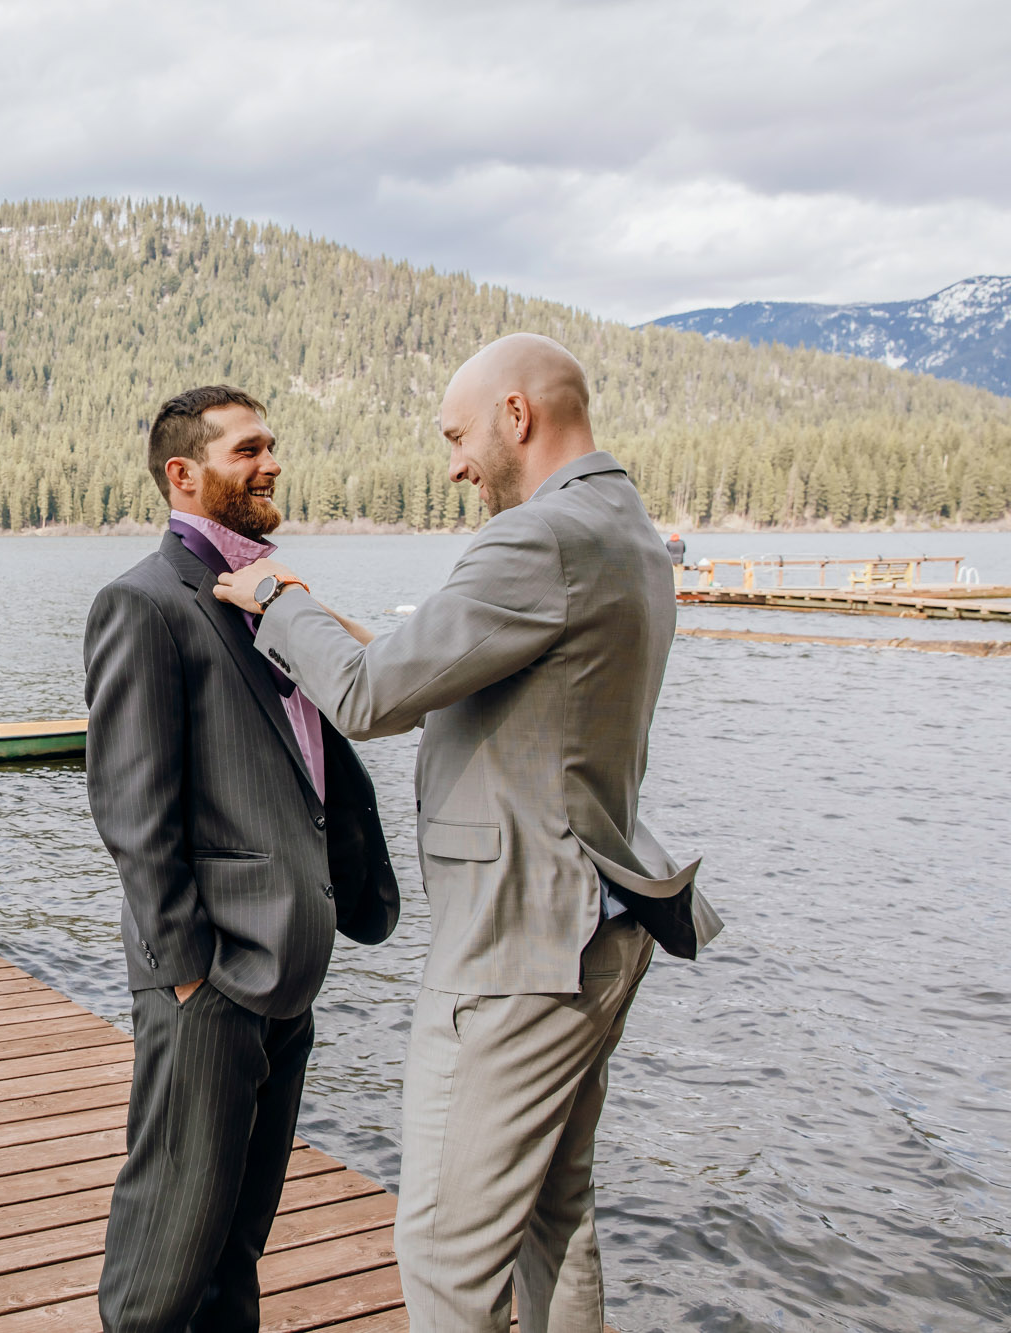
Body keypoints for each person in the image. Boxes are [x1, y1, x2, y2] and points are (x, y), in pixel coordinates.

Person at [215, 335, 722, 1333]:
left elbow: (366, 697)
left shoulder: (537, 539)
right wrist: (339, 624)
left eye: (457, 436)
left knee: (443, 1249)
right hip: (598, 920)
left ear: (516, 417)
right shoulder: (621, 526)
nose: (453, 463)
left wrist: (275, 599)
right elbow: (455, 663)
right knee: (548, 1216)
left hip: (519, 944)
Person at [84, 385, 400, 1333]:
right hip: (212, 980)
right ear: (184, 473)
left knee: (233, 1252)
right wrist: (186, 973)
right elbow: (133, 806)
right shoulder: (144, 603)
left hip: (288, 969)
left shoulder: (271, 598)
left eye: (273, 445)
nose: (271, 463)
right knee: (163, 1260)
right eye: (247, 449)